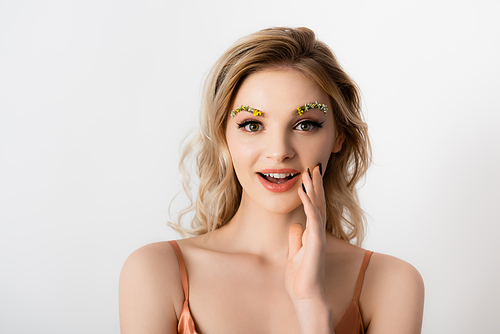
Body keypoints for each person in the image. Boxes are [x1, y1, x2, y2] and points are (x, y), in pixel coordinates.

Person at [119, 27, 425, 334]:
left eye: (305, 124)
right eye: (252, 125)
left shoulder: (392, 282)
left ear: (339, 136)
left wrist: (311, 305)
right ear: (224, 135)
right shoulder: (155, 271)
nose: (279, 152)